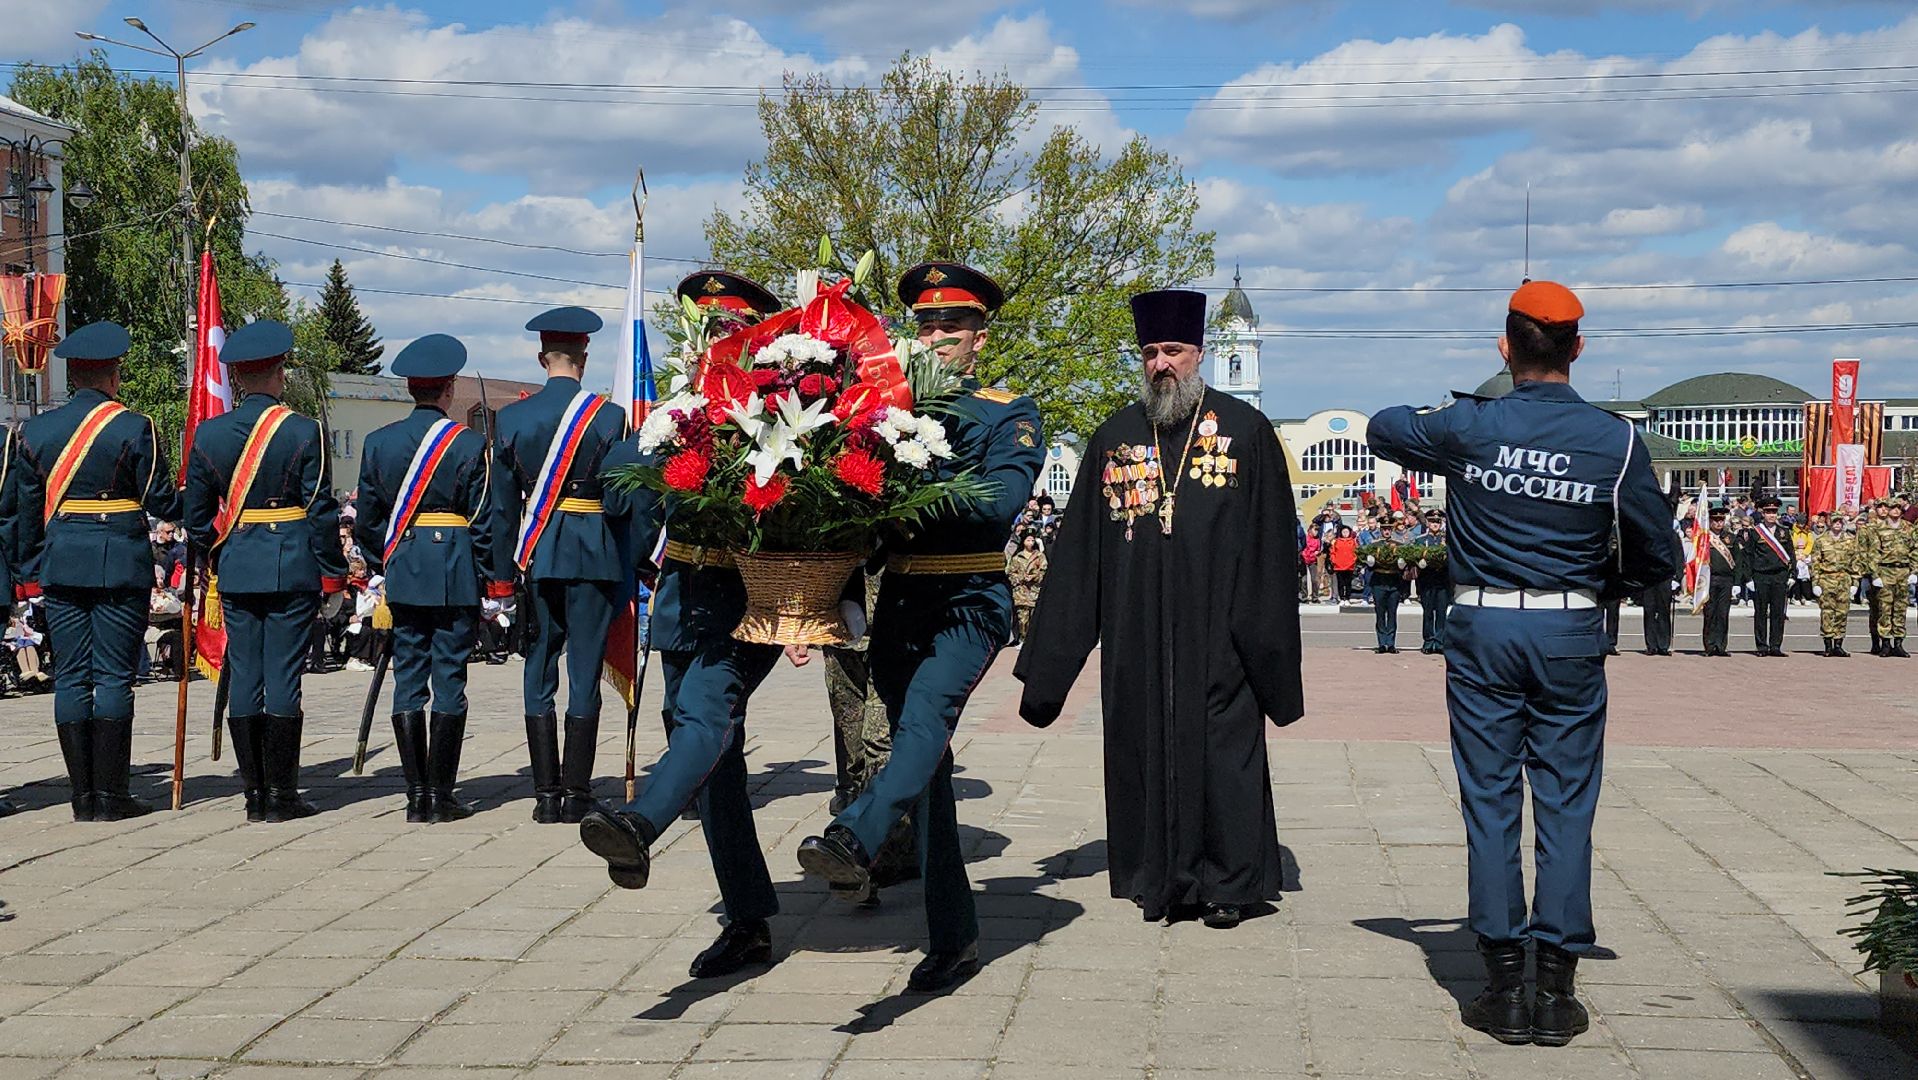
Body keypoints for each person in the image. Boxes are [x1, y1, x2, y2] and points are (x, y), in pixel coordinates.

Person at [1369, 280, 1681, 1048]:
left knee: (1490, 799)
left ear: (1504, 347)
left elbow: (1381, 428)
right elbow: (1659, 555)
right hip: (1571, 629)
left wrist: (1458, 419)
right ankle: (1559, 988)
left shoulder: (1470, 427)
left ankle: (1504, 986)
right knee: (1568, 803)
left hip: (1480, 629)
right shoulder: (1616, 441)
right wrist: (1600, 582)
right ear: (1578, 349)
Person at [1015, 286, 1303, 932]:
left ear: (1199, 353)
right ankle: (1159, 878)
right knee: (1143, 751)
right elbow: (1079, 558)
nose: (1160, 364)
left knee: (1226, 757)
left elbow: (1269, 552)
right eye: (1149, 352)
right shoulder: (1116, 438)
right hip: (1137, 639)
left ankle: (1229, 883)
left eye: (1173, 350)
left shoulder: (1245, 434)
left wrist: (1271, 657)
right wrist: (1048, 673)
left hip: (1224, 637)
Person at [793, 261, 1043, 992]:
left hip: (967, 598)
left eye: (952, 326)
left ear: (979, 339)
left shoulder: (1007, 409)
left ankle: (856, 835)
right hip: (897, 600)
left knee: (923, 721)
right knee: (928, 772)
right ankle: (953, 934)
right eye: (925, 324)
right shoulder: (878, 407)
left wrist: (898, 490)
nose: (936, 336)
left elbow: (997, 503)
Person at [578, 269, 798, 978]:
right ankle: (748, 921)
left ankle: (640, 824)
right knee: (717, 763)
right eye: (706, 330)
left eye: (729, 330)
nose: (715, 343)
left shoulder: (778, 409)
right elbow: (617, 489)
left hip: (744, 598)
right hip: (678, 598)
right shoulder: (676, 407)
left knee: (706, 718)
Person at [11, 323, 181, 821]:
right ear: (113, 375)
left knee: (70, 678)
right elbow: (160, 499)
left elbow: (25, 514)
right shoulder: (134, 426)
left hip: (61, 565)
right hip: (120, 564)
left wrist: (30, 572)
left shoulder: (36, 431)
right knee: (111, 678)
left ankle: (81, 798)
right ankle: (111, 795)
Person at [183, 320, 347, 822]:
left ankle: (254, 796)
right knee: (283, 679)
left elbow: (195, 518)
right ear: (278, 373)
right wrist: (334, 575)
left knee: (246, 678)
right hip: (292, 564)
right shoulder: (304, 430)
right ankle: (282, 794)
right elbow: (320, 513)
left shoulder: (209, 433)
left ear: (236, 379)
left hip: (236, 567)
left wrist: (220, 551)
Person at [490, 306, 634, 823]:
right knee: (585, 672)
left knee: (538, 667)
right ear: (584, 358)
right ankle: (577, 794)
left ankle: (545, 797)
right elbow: (621, 502)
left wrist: (502, 577)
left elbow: (503, 509)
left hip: (538, 551)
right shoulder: (610, 417)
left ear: (541, 358)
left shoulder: (511, 418)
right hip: (594, 552)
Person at [353, 334, 502, 823]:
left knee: (408, 679)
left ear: (411, 388)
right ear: (449, 388)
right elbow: (483, 520)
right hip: (456, 567)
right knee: (451, 679)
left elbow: (370, 521)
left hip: (405, 568)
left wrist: (385, 564)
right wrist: (488, 575)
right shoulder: (471, 444)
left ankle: (417, 796)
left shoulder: (379, 442)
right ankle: (442, 794)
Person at [1737, 495, 1793, 657]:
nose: (1771, 515)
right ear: (1763, 513)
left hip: (1779, 577)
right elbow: (1747, 556)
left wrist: (1792, 574)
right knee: (1761, 613)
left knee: (1778, 613)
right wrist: (1748, 578)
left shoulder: (1784, 532)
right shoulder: (1756, 533)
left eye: (1774, 512)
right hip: (1761, 576)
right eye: (1768, 512)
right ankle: (1761, 646)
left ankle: (1775, 646)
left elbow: (1791, 554)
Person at [1863, 498, 1914, 657]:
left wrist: (1914, 572)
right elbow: (1873, 553)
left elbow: (1915, 550)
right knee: (1885, 609)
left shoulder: (1908, 528)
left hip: (1903, 572)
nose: (1896, 511)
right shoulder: (1879, 529)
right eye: (1893, 508)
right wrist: (1875, 574)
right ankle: (1885, 643)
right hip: (1885, 571)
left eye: (1899, 508)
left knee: (1900, 609)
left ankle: (1898, 643)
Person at [1811, 512, 1864, 657]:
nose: (1837, 524)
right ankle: (1828, 645)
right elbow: (1815, 563)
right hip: (1826, 579)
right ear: (1830, 523)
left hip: (1844, 580)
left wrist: (1855, 582)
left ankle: (1838, 644)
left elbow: (1855, 563)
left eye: (1840, 522)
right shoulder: (1821, 541)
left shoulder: (1850, 540)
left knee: (1842, 613)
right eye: (1835, 522)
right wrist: (1815, 582)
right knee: (1827, 613)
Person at [1369, 514, 1411, 653]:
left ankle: (1391, 643)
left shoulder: (1399, 545)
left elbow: (1405, 563)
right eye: (1384, 529)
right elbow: (1369, 566)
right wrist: (1370, 562)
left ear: (1392, 530)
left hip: (1394, 582)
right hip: (1379, 581)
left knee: (1392, 614)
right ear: (1380, 530)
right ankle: (1382, 643)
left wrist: (1402, 564)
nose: (1386, 531)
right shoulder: (1374, 545)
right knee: (1380, 614)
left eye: (1388, 529)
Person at [1700, 505, 1736, 657]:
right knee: (1710, 613)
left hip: (1726, 579)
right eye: (1715, 520)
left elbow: (1738, 560)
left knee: (1723, 614)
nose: (1718, 523)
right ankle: (1709, 646)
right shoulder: (1703, 538)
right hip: (1709, 578)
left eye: (1721, 520)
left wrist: (1737, 582)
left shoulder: (1730, 537)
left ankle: (1721, 646)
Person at [1415, 510, 1453, 653]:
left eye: (1437, 522)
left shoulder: (1447, 540)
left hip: (1443, 580)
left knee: (1442, 613)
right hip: (1427, 580)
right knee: (1428, 612)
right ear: (1427, 523)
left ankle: (1440, 642)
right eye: (1432, 522)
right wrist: (1420, 562)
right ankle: (1428, 641)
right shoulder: (1421, 540)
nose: (1435, 524)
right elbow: (1415, 556)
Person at [1008, 533, 1047, 644]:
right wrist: (1021, 578)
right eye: (1028, 540)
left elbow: (1044, 571)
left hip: (1035, 590)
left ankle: (1034, 640)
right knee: (1023, 618)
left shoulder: (1039, 556)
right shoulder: (1017, 557)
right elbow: (1011, 573)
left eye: (1032, 540)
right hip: (1022, 592)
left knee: (1035, 616)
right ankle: (1023, 639)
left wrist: (1034, 577)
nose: (1031, 542)